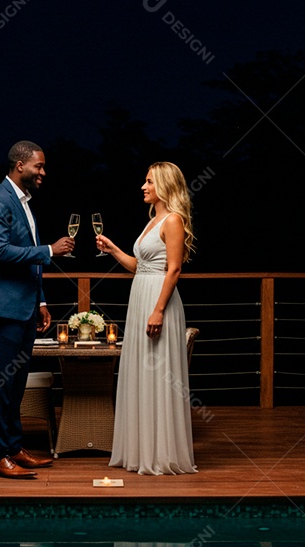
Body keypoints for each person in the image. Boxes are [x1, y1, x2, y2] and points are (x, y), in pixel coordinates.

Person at [0, 140, 75, 479]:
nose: (43, 172)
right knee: (1, 385)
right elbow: (1, 252)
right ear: (20, 166)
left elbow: (28, 260)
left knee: (16, 385)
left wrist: (42, 301)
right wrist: (50, 248)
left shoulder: (23, 203)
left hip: (25, 306)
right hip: (5, 309)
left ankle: (14, 448)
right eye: (39, 166)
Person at [96, 161, 198, 475]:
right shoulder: (152, 220)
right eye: (145, 181)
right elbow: (139, 266)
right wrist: (113, 250)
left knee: (160, 373)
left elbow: (174, 269)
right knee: (142, 372)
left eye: (150, 181)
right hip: (141, 295)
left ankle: (163, 454)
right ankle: (142, 451)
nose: (144, 186)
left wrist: (158, 309)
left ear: (165, 185)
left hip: (159, 302)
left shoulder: (174, 220)